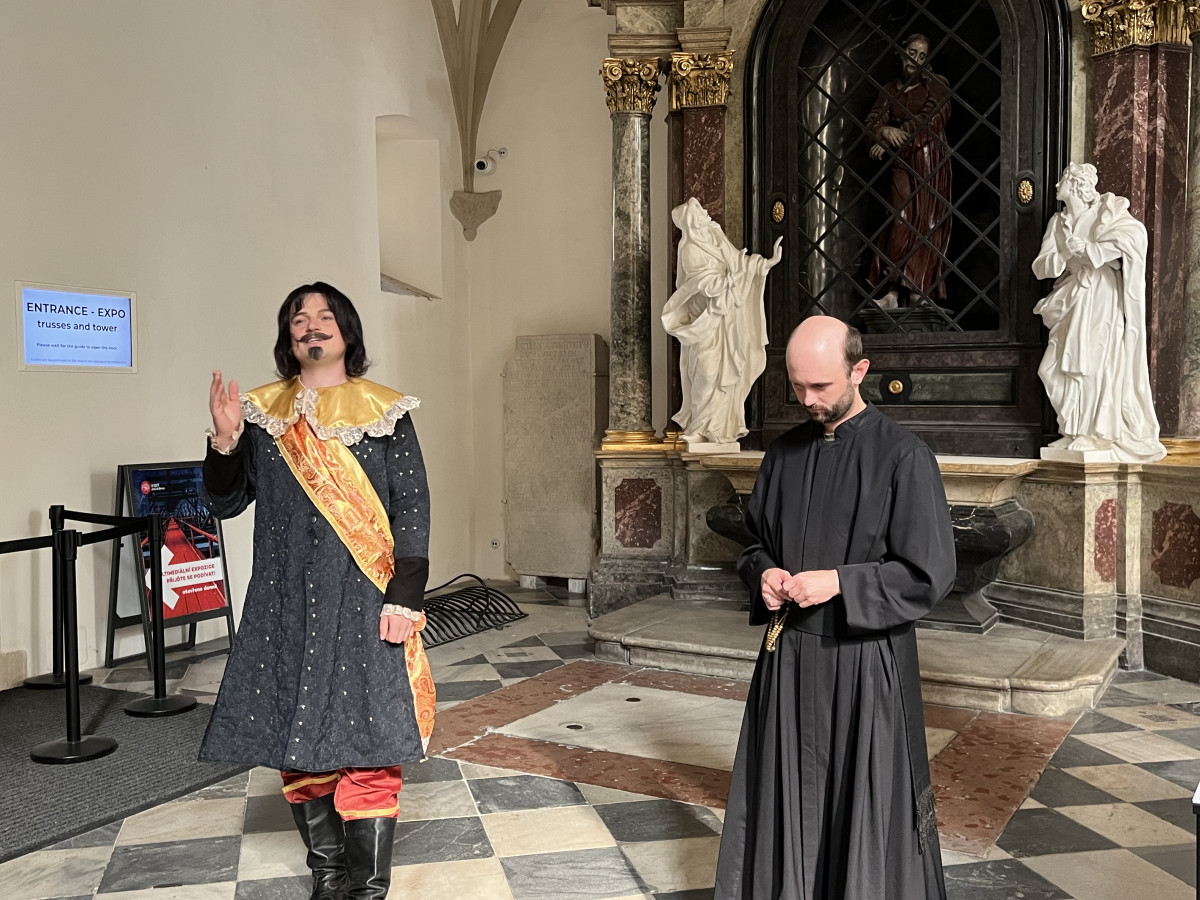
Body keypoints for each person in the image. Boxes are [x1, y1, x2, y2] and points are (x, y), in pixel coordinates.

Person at [200, 281, 435, 900]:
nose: (311, 325)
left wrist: (405, 596)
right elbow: (225, 503)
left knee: (369, 736)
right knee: (296, 736)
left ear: (346, 331)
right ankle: (328, 876)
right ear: (288, 336)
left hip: (366, 597)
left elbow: (412, 508)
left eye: (324, 315)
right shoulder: (264, 414)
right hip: (284, 602)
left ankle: (368, 888)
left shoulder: (384, 411)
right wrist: (225, 441)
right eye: (298, 318)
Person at [714, 315, 954, 899]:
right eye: (797, 386)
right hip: (789, 658)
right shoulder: (783, 454)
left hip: (864, 664)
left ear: (859, 370)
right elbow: (753, 543)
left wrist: (841, 582)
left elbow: (927, 574)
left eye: (820, 386)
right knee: (786, 794)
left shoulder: (904, 457)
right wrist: (763, 573)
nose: (808, 400)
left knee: (862, 802)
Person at [1033, 162, 1165, 462]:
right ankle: (1072, 428)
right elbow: (1040, 267)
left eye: (1063, 180)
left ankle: (1091, 433)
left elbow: (1133, 237)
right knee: (1051, 368)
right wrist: (1065, 252)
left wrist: (1091, 250)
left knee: (1093, 361)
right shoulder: (1058, 222)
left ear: (1077, 185)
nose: (1057, 186)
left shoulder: (1107, 211)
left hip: (1100, 293)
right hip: (1070, 296)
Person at [661, 197, 783, 446]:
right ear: (692, 222)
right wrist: (732, 279)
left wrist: (764, 263)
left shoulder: (715, 235)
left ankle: (717, 427)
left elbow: (739, 262)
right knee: (706, 373)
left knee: (724, 374)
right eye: (700, 211)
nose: (706, 212)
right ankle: (699, 426)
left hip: (727, 321)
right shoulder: (690, 248)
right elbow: (705, 284)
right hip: (705, 322)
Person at [865, 33, 953, 309]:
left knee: (926, 221)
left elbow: (931, 117)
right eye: (912, 53)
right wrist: (882, 132)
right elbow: (873, 121)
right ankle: (892, 291)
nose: (916, 60)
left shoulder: (936, 84)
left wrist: (892, 136)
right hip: (901, 160)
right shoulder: (890, 89)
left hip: (929, 159)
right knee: (899, 217)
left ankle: (918, 290)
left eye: (922, 56)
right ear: (901, 54)